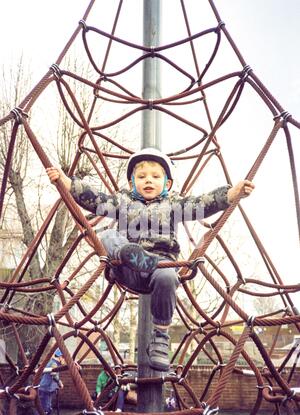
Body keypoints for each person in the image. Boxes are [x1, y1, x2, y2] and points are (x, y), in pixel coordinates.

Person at [46, 148, 255, 372]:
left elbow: (202, 204)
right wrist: (66, 182)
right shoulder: (122, 201)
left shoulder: (174, 204)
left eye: (155, 176)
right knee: (106, 236)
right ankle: (129, 253)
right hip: (127, 269)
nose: (148, 180)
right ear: (131, 182)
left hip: (160, 265)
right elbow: (95, 199)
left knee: (168, 276)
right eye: (141, 176)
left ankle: (161, 337)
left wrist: (232, 193)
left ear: (167, 184)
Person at [29, 349, 64, 415]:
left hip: (48, 390)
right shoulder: (54, 364)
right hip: (45, 390)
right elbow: (54, 375)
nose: (63, 359)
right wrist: (59, 383)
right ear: (60, 357)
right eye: (63, 357)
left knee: (48, 410)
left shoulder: (53, 362)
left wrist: (55, 386)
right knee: (43, 412)